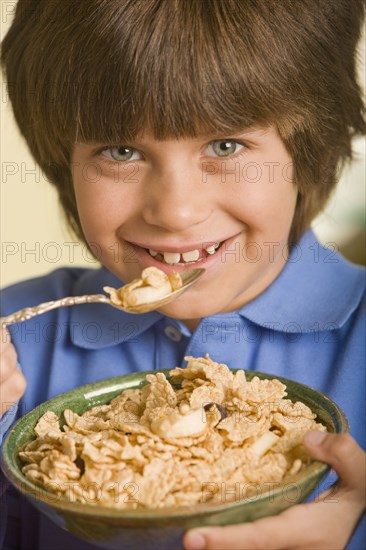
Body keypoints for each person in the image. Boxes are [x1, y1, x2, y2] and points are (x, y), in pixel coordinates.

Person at [1, 0, 365, 549]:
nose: (175, 211)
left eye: (225, 144)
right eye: (121, 150)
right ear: (62, 161)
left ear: (309, 149)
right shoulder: (17, 341)